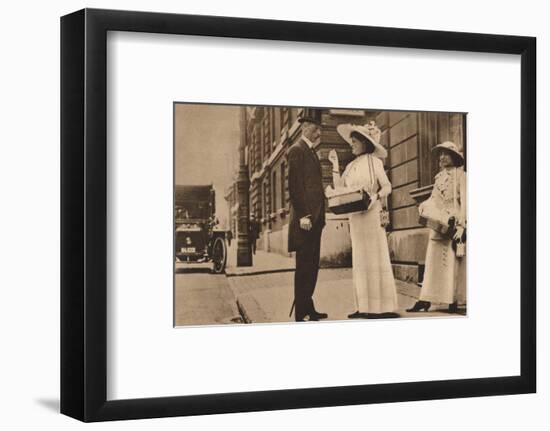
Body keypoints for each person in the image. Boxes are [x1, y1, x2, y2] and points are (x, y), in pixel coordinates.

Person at [328, 121, 399, 319]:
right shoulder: (350, 166)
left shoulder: (374, 162)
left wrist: (375, 197)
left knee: (375, 257)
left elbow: (387, 187)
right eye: (351, 142)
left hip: (372, 215)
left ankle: (380, 307)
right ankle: (363, 305)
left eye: (354, 142)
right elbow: (340, 186)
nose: (351, 145)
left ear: (364, 143)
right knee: (360, 259)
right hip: (356, 217)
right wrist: (334, 164)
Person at [407, 141, 466, 313]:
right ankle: (425, 299)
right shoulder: (439, 178)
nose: (441, 157)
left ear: (454, 157)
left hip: (453, 222)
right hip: (438, 222)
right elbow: (434, 198)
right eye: (440, 154)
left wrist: (462, 225)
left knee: (452, 262)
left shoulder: (462, 176)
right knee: (433, 261)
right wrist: (424, 206)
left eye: (445, 154)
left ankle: (452, 299)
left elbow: (466, 202)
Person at [287, 115, 328, 322]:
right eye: (315, 128)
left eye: (319, 129)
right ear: (304, 128)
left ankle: (308, 306)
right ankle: (301, 312)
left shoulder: (310, 152)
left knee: (312, 266)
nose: (318, 132)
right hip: (306, 221)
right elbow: (295, 188)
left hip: (316, 220)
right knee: (304, 267)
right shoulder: (296, 150)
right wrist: (304, 215)